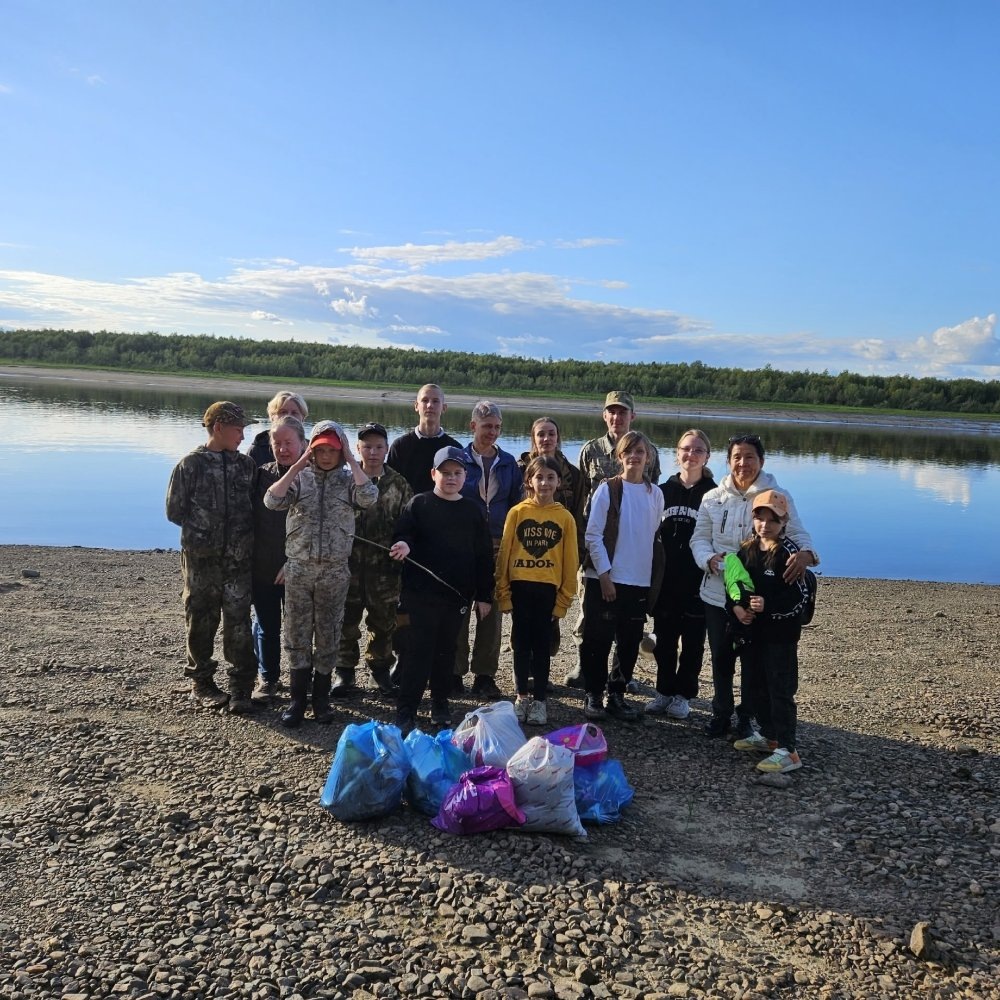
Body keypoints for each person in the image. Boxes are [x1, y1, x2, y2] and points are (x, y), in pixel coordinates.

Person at [690, 433, 818, 739]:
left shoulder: (777, 496)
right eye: (737, 457)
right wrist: (708, 560)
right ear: (728, 460)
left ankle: (746, 718)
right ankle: (720, 713)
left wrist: (806, 555)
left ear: (761, 461)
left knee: (753, 661)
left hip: (759, 598)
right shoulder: (712, 497)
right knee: (721, 656)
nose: (743, 463)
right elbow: (699, 539)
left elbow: (800, 535)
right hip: (717, 593)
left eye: (750, 457)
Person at [263, 420, 377, 727]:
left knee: (328, 635)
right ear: (313, 449)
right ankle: (298, 701)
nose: (326, 456)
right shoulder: (301, 479)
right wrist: (299, 464)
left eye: (333, 450)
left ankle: (321, 700)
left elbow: (369, 497)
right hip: (299, 570)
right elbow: (272, 499)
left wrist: (353, 460)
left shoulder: (348, 480)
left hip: (335, 571)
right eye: (321, 449)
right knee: (297, 635)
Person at [390, 446, 494, 737]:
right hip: (420, 596)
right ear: (433, 474)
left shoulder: (473, 510)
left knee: (446, 652)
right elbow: (403, 533)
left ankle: (440, 703)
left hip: (457, 597)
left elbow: (484, 555)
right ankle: (406, 710)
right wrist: (403, 544)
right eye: (445, 473)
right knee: (416, 653)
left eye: (457, 473)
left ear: (465, 476)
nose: (451, 478)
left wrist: (484, 595)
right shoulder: (419, 504)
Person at [165, 401, 258, 713]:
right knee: (201, 620)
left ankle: (241, 686)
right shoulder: (190, 465)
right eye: (238, 429)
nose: (243, 436)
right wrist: (206, 532)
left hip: (238, 561)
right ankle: (202, 682)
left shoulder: (245, 466)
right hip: (201, 561)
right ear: (218, 427)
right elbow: (174, 512)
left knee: (239, 622)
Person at [567, 390, 662, 688]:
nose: (617, 417)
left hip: (631, 554)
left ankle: (620, 678)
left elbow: (649, 495)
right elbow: (582, 495)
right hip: (595, 546)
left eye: (623, 412)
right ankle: (585, 668)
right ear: (605, 415)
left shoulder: (650, 450)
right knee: (589, 611)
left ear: (632, 416)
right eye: (612, 411)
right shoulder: (590, 450)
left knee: (629, 624)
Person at [580, 431, 664, 721]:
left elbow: (652, 535)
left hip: (637, 580)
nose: (635, 456)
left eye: (640, 451)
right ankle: (593, 695)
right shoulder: (608, 489)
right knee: (597, 640)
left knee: (628, 642)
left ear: (648, 457)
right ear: (620, 456)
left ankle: (616, 694)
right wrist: (604, 575)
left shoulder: (656, 494)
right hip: (604, 579)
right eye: (629, 451)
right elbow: (593, 535)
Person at [727, 490, 810, 773]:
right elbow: (734, 585)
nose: (765, 525)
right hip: (754, 636)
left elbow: (799, 598)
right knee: (755, 688)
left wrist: (768, 606)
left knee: (781, 691)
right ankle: (770, 737)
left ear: (784, 522)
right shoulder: (746, 550)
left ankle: (789, 750)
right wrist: (737, 609)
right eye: (760, 517)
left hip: (781, 638)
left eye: (772, 519)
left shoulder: (789, 554)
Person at [495, 455, 580, 726]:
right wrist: (503, 593)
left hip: (548, 592)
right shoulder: (517, 512)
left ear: (557, 482)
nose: (544, 482)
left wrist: (563, 601)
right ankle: (521, 696)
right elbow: (505, 556)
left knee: (542, 648)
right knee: (520, 645)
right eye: (539, 477)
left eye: (550, 477)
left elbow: (570, 563)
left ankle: (540, 700)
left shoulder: (565, 518)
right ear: (529, 481)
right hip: (520, 588)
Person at [336, 422, 414, 696]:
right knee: (345, 622)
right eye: (367, 446)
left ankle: (380, 671)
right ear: (357, 449)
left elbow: (410, 524)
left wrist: (405, 543)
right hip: (348, 568)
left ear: (386, 449)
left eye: (378, 447)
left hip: (386, 571)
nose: (372, 452)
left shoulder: (399, 484)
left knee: (383, 625)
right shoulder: (345, 480)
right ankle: (344, 674)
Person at [646, 429, 717, 720]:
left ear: (707, 456)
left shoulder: (714, 496)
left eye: (698, 450)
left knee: (692, 642)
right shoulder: (662, 491)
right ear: (677, 453)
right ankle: (663, 690)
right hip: (666, 581)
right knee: (664, 639)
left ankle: (683, 694)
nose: (691, 455)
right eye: (686, 449)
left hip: (698, 582)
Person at [454, 401, 523, 697]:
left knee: (491, 615)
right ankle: (453, 673)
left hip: (496, 547)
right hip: (461, 546)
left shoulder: (508, 464)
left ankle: (484, 675)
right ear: (473, 427)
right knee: (458, 612)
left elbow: (516, 507)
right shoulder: (457, 460)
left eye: (497, 427)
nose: (492, 432)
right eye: (486, 427)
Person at [250, 415, 307, 701]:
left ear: (303, 444)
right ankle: (268, 679)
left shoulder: (313, 477)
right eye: (277, 443)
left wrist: (293, 561)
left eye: (289, 443)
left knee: (301, 631)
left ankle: (303, 685)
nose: (283, 449)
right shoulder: (261, 474)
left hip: (301, 569)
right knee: (266, 626)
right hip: (263, 566)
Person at [386, 383, 461, 494]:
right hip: (408, 510)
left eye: (435, 401)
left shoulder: (455, 449)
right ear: (416, 406)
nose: (430, 405)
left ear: (444, 407)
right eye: (425, 400)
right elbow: (390, 488)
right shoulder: (400, 446)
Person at [247, 391, 309, 466]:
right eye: (283, 412)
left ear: (303, 418)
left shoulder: (311, 449)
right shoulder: (257, 450)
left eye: (294, 413)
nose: (289, 416)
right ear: (272, 417)